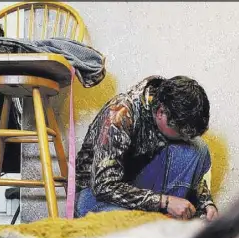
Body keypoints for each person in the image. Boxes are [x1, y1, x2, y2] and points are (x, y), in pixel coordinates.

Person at [74, 75, 219, 221]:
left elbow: (194, 177)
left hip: (137, 188)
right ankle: (161, 223)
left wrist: (206, 203)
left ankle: (168, 221)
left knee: (197, 147)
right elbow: (103, 186)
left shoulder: (167, 112)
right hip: (95, 195)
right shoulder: (120, 114)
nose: (184, 138)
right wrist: (165, 202)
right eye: (181, 133)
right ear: (161, 112)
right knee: (136, 226)